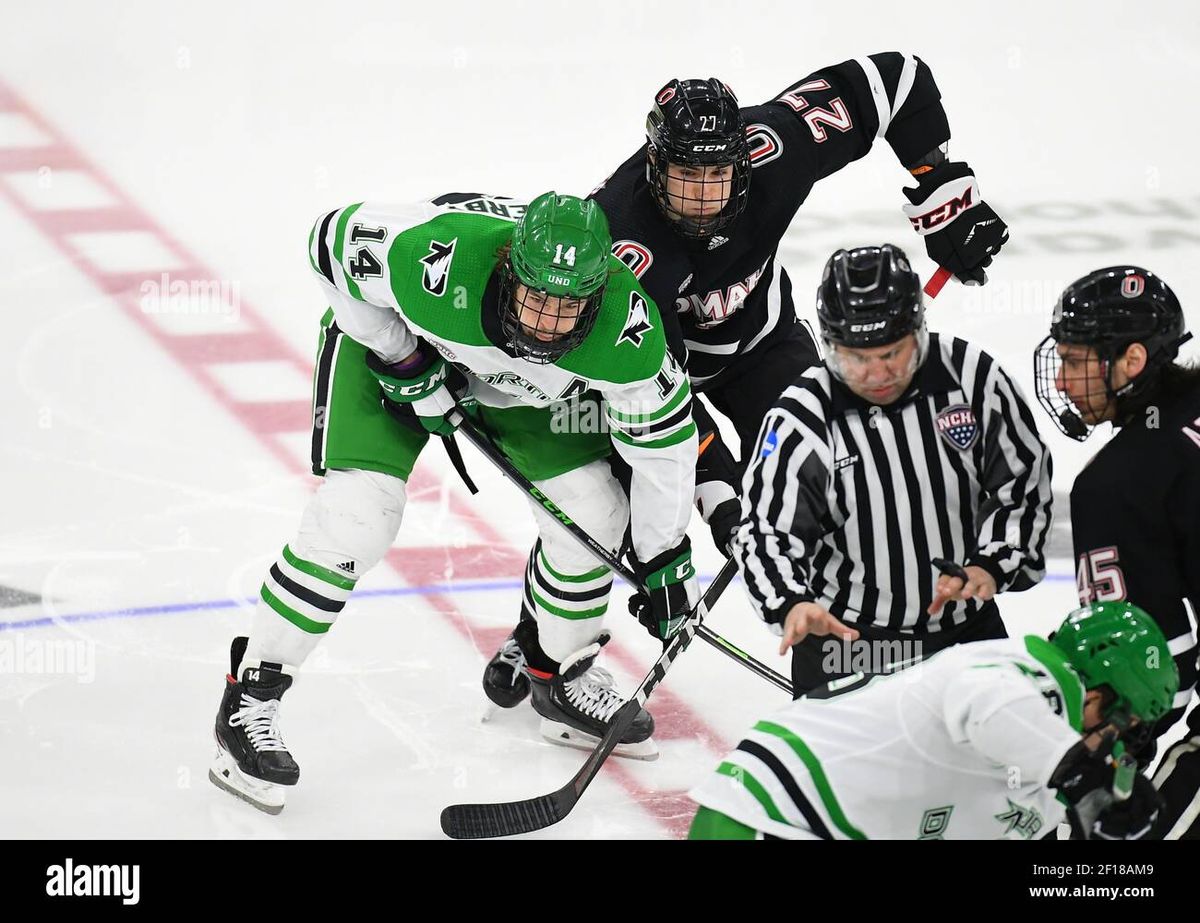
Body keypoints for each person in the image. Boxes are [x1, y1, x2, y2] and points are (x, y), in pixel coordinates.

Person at [485, 52, 1011, 703]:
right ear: (654, 166)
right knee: (613, 518)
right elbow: (658, 402)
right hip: (652, 380)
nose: (704, 196)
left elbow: (898, 79)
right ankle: (537, 638)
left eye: (717, 173)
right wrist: (723, 496)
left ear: (745, 158)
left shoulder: (780, 144)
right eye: (684, 175)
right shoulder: (621, 242)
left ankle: (845, 682)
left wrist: (944, 190)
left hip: (766, 349)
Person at [209, 191, 700, 814]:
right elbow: (327, 241)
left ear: (600, 294)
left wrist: (664, 561)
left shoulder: (627, 335)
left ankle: (555, 675)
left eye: (569, 306)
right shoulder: (437, 256)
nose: (548, 323)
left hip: (521, 393)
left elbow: (665, 452)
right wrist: (402, 356)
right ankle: (250, 696)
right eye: (537, 298)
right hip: (394, 355)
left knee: (594, 516)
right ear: (508, 269)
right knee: (358, 518)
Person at [735, 243, 1053, 697]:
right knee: (847, 771)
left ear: (919, 330)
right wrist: (790, 603)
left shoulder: (973, 378)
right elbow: (767, 531)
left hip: (964, 633)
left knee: (995, 765)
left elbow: (1022, 481)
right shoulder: (801, 417)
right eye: (856, 358)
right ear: (828, 345)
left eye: (892, 354)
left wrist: (993, 564)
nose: (876, 373)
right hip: (845, 643)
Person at [689, 601, 1178, 840]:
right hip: (772, 814)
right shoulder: (1030, 677)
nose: (1118, 743)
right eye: (1124, 722)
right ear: (1096, 695)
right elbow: (986, 701)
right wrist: (1080, 775)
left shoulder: (1047, 777)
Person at [1033, 265, 1200, 839]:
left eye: (1076, 361)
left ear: (1131, 361)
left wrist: (1096, 759)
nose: (1061, 381)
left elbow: (1154, 671)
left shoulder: (1116, 487)